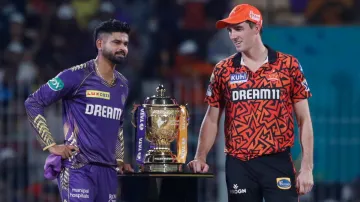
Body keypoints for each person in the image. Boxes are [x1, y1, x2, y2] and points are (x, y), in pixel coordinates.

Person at [187, 4, 314, 202]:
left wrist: (306, 168)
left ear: (256, 27)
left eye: (238, 28)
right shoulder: (223, 70)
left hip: (277, 161)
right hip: (239, 164)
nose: (232, 35)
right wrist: (200, 156)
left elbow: (304, 119)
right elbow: (212, 119)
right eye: (230, 30)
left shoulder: (288, 66)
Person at [24, 19, 134, 202]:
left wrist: (120, 161)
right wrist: (51, 146)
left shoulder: (123, 84)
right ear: (100, 44)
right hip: (78, 169)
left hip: (108, 172)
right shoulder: (75, 76)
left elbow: (118, 126)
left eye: (125, 43)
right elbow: (33, 102)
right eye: (116, 42)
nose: (122, 47)